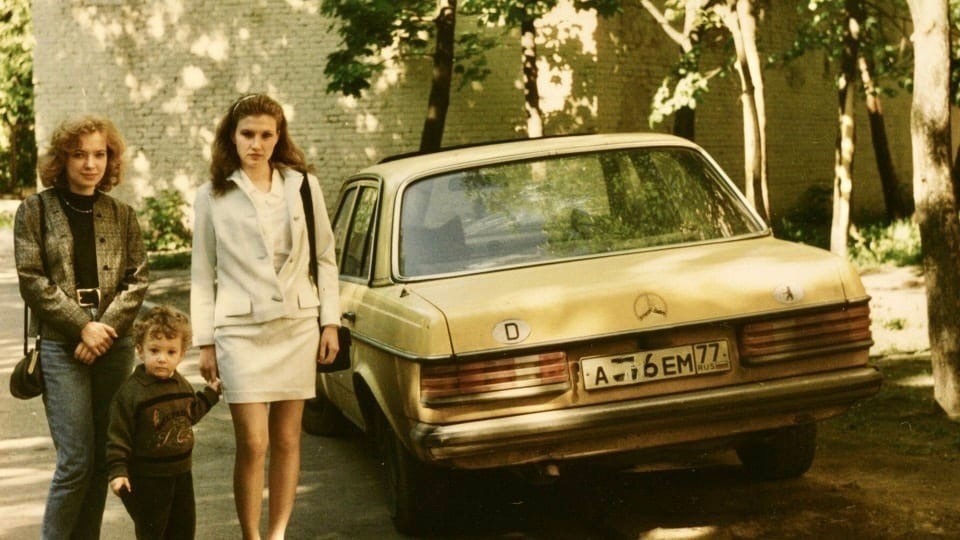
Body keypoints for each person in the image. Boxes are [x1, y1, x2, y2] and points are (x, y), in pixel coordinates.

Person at [191, 93, 341, 539]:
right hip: (239, 330)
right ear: (232, 137)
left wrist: (330, 322)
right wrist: (205, 342)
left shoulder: (303, 186)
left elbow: (325, 258)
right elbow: (201, 272)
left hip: (297, 325)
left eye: (265, 135)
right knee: (253, 442)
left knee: (289, 439)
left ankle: (276, 534)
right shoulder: (212, 195)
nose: (256, 144)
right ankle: (250, 536)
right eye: (247, 134)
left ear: (279, 138)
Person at [13, 115, 149, 539]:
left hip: (113, 343)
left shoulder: (122, 214)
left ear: (110, 159)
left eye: (99, 154)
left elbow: (138, 278)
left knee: (104, 459)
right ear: (62, 159)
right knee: (75, 461)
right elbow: (32, 278)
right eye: (79, 154)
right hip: (61, 344)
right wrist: (82, 327)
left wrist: (103, 328)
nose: (91, 164)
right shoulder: (34, 211)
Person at [106, 305, 221, 540]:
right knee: (153, 531)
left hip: (181, 473)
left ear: (181, 354)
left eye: (170, 352)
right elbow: (118, 436)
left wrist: (210, 394)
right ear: (140, 350)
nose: (162, 359)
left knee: (183, 529)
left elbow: (189, 414)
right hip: (148, 478)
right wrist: (118, 471)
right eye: (154, 350)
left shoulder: (181, 384)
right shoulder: (131, 393)